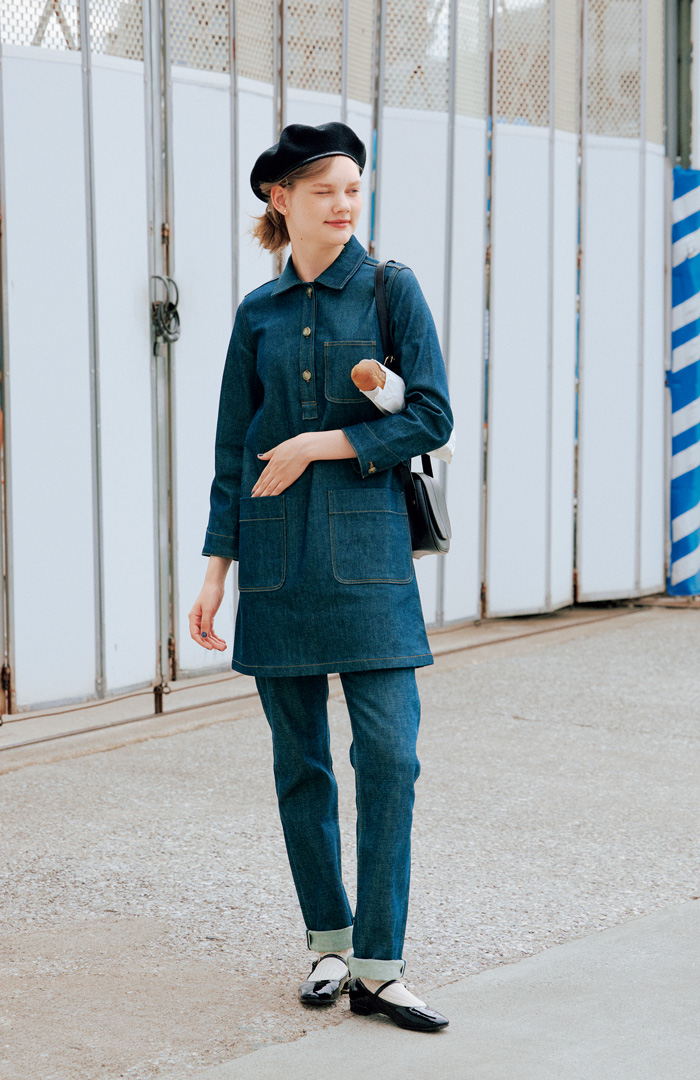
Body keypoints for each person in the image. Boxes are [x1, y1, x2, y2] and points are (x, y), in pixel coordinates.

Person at [189, 122, 453, 1033]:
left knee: (390, 759)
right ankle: (329, 945)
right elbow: (233, 449)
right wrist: (215, 573)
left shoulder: (389, 288)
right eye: (324, 190)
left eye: (352, 188)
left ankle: (381, 966)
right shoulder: (257, 313)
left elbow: (431, 415)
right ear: (281, 199)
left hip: (370, 563)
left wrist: (317, 443)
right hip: (272, 563)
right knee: (299, 765)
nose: (344, 204)